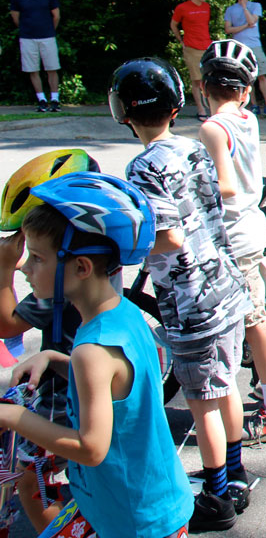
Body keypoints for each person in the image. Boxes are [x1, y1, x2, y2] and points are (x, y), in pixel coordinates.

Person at [0, 172, 193, 537]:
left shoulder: (92, 350)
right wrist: (57, 360)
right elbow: (119, 382)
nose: (25, 268)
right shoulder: (121, 314)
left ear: (81, 267)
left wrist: (11, 416)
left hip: (134, 521)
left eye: (37, 258)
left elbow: (91, 449)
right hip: (142, 502)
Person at [111, 56, 254, 529]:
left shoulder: (142, 166)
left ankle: (216, 500)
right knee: (226, 382)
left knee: (201, 401)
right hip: (226, 286)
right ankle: (235, 476)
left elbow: (168, 237)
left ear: (124, 112)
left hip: (192, 300)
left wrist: (123, 243)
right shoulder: (193, 148)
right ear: (175, 106)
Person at [197, 40, 266, 445]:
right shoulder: (247, 119)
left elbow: (225, 187)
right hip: (253, 227)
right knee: (262, 317)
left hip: (234, 235)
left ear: (203, 87)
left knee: (254, 327)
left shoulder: (211, 127)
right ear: (247, 89)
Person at [0, 149, 99, 532]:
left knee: (31, 480)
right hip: (64, 375)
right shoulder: (92, 266)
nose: (27, 264)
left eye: (35, 254)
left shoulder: (60, 287)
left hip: (61, 395)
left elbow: (6, 325)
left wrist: (5, 270)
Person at [9, 0, 62, 112]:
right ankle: (42, 100)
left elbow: (56, 15)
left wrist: (49, 29)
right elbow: (15, 17)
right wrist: (26, 29)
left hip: (47, 36)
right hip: (27, 38)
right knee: (33, 69)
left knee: (52, 68)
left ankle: (55, 100)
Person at [222, 0, 266, 119]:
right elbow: (228, 29)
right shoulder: (230, 9)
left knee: (262, 75)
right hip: (239, 47)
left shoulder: (255, 6)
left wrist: (245, 7)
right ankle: (254, 105)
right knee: (247, 78)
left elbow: (253, 21)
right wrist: (246, 26)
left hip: (255, 45)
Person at [171, 0, 215, 120]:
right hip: (191, 48)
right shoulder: (182, 8)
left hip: (207, 47)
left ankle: (212, 108)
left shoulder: (207, 7)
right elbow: (173, 25)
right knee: (196, 80)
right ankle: (201, 110)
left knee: (209, 78)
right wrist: (181, 40)